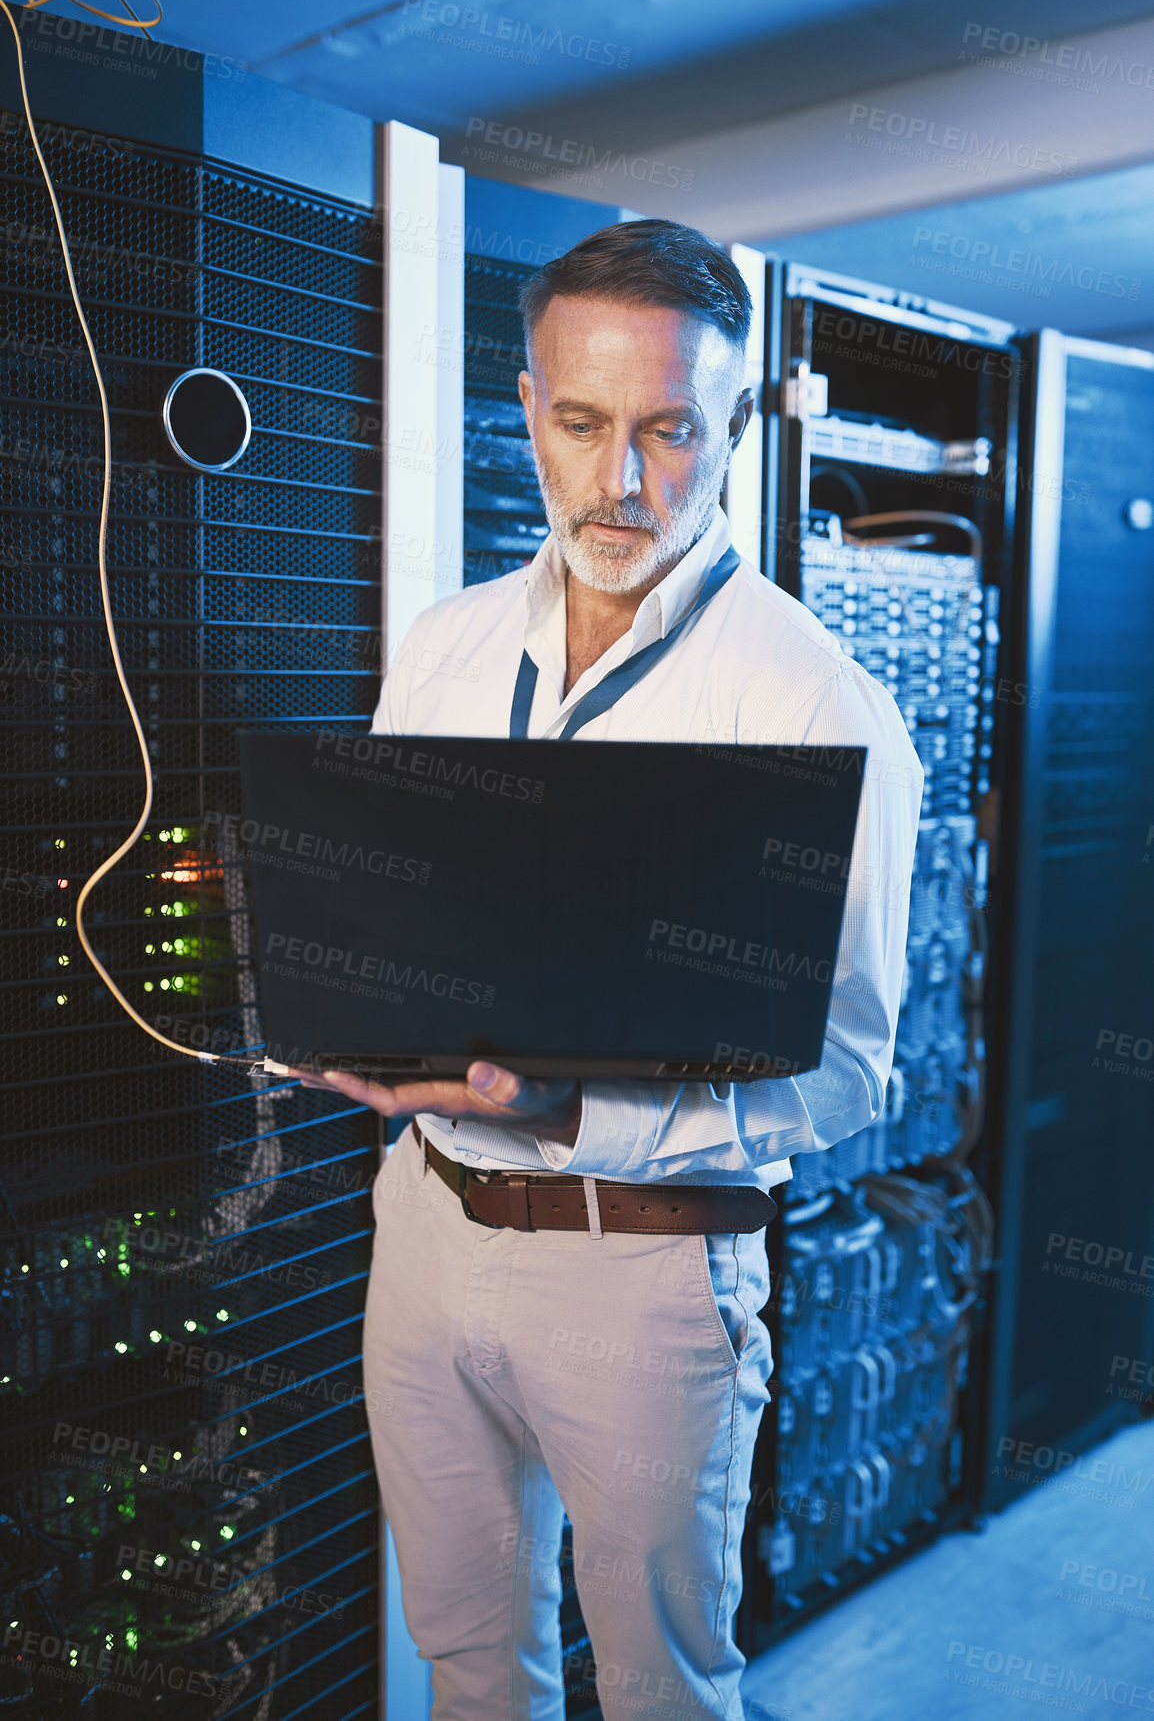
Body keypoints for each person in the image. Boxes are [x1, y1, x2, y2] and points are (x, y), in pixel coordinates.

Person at [298, 218, 923, 1720]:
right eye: (581, 425)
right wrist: (348, 1012)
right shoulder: (439, 651)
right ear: (527, 409)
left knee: (657, 1689)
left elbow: (848, 1072)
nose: (621, 481)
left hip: (642, 1265)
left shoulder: (812, 702)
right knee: (463, 1661)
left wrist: (578, 1098)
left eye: (668, 432)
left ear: (731, 432)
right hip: (426, 1226)